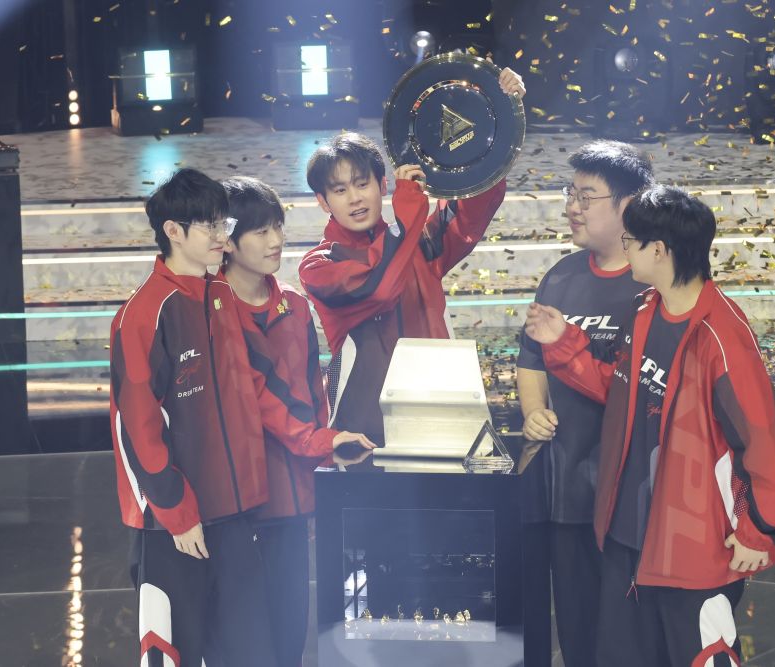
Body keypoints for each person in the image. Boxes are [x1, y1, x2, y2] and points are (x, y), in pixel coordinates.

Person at [524, 185, 775, 666]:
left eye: (631, 240)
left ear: (658, 250)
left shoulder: (722, 337)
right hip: (629, 536)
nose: (626, 248)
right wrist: (565, 344)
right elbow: (621, 390)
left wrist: (760, 531)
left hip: (694, 550)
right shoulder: (645, 311)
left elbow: (764, 439)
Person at [298, 67, 526, 445]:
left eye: (362, 184)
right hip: (363, 431)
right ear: (323, 202)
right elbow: (379, 289)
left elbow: (471, 209)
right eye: (339, 191)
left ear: (382, 184)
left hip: (441, 411)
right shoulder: (319, 265)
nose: (354, 198)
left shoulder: (420, 239)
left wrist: (501, 113)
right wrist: (408, 210)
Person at [110, 168, 277, 665]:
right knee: (173, 651)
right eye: (210, 225)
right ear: (173, 231)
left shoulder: (219, 295)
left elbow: (241, 399)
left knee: (248, 652)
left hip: (232, 514)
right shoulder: (144, 314)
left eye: (224, 223)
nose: (223, 236)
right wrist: (178, 514)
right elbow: (136, 428)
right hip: (173, 524)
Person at [219, 175, 375, 666]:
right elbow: (256, 396)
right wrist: (317, 442)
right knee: (243, 640)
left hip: (291, 494)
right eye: (261, 231)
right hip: (237, 499)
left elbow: (313, 392)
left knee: (290, 632)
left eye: (278, 227)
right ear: (228, 241)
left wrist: (317, 470)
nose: (276, 241)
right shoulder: (211, 310)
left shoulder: (296, 305)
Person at [515, 140, 653, 667]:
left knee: (625, 637)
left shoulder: (648, 284)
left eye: (587, 196)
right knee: (576, 629)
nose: (572, 207)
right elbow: (530, 358)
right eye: (570, 193)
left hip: (625, 496)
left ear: (628, 204)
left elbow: (638, 392)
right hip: (566, 487)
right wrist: (533, 411)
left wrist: (567, 346)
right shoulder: (562, 276)